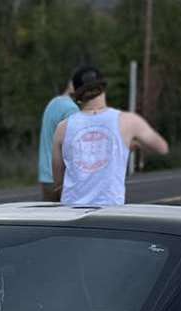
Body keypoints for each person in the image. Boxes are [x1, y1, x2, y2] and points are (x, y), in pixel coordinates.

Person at [51, 65, 169, 207]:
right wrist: (135, 145)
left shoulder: (62, 128)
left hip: (72, 211)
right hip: (110, 210)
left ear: (76, 97)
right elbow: (162, 148)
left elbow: (58, 180)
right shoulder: (128, 121)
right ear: (103, 89)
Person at [36, 73, 80, 201]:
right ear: (71, 85)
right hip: (61, 178)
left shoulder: (53, 103)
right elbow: (73, 146)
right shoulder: (71, 109)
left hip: (46, 176)